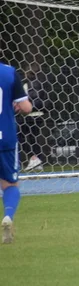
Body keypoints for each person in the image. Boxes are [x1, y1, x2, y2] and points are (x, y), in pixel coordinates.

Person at [0, 59, 32, 244]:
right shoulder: (9, 72)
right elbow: (27, 107)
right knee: (10, 185)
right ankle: (8, 217)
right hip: (5, 138)